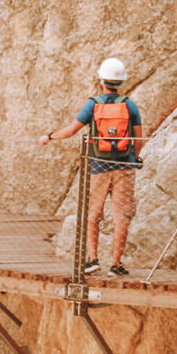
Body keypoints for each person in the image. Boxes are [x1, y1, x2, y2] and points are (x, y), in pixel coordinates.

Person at [39, 57, 144, 277]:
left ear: (101, 81)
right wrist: (134, 158)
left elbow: (70, 130)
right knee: (121, 216)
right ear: (120, 82)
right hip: (123, 166)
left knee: (92, 213)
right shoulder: (129, 105)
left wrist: (49, 136)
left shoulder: (93, 104)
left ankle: (93, 259)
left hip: (99, 166)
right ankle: (116, 264)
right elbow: (138, 139)